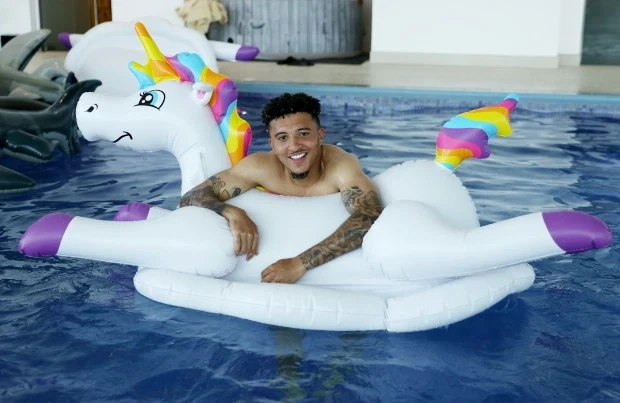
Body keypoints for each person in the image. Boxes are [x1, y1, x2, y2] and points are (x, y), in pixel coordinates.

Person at [179, 92, 383, 283]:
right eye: (282, 138)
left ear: (320, 135)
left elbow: (369, 215)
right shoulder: (260, 168)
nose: (294, 146)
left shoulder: (341, 166)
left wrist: (300, 264)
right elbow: (191, 196)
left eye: (303, 134)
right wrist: (232, 212)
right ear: (272, 144)